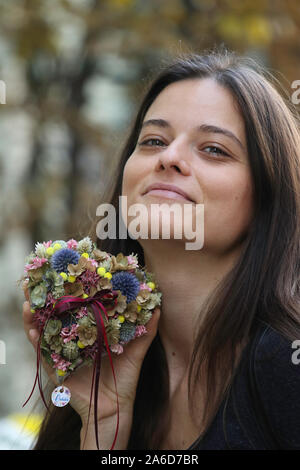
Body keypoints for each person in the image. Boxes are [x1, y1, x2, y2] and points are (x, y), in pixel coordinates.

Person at [22, 46, 300, 450]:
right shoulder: (105, 358)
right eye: (152, 140)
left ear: (267, 197)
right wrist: (103, 426)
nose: (169, 157)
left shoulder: (286, 362)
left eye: (214, 149)